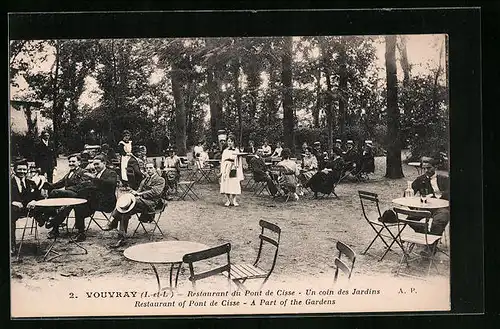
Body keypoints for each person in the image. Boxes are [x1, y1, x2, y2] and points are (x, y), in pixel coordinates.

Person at [104, 161, 166, 248]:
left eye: (151, 168)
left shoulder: (160, 180)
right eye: (147, 168)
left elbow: (155, 192)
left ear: (155, 169)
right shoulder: (144, 180)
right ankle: (122, 237)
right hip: (140, 203)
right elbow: (138, 191)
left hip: (152, 204)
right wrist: (133, 192)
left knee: (130, 202)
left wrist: (139, 194)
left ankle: (113, 222)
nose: (149, 170)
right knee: (125, 209)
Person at [41, 154, 93, 239]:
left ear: (79, 162)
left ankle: (46, 216)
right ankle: (55, 228)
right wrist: (45, 185)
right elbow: (59, 183)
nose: (71, 163)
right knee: (61, 208)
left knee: (54, 193)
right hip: (69, 197)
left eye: (73, 161)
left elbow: (83, 186)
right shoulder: (69, 173)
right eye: (69, 162)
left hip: (79, 196)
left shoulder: (83, 172)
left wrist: (67, 189)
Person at [10, 160, 42, 255]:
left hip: (29, 209)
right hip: (14, 210)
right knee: (9, 216)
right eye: (19, 169)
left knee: (45, 207)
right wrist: (12, 202)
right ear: (14, 170)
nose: (22, 172)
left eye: (24, 169)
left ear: (27, 170)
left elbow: (39, 197)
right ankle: (11, 245)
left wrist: (34, 201)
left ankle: (46, 221)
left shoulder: (31, 183)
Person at [219, 134, 244, 206]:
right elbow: (223, 161)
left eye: (231, 141)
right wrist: (222, 171)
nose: (230, 143)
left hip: (234, 168)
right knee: (226, 183)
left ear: (234, 142)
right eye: (228, 141)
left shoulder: (237, 150)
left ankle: (234, 200)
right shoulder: (225, 151)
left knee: (234, 183)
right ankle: (227, 200)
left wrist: (238, 169)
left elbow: (239, 161)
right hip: (227, 168)